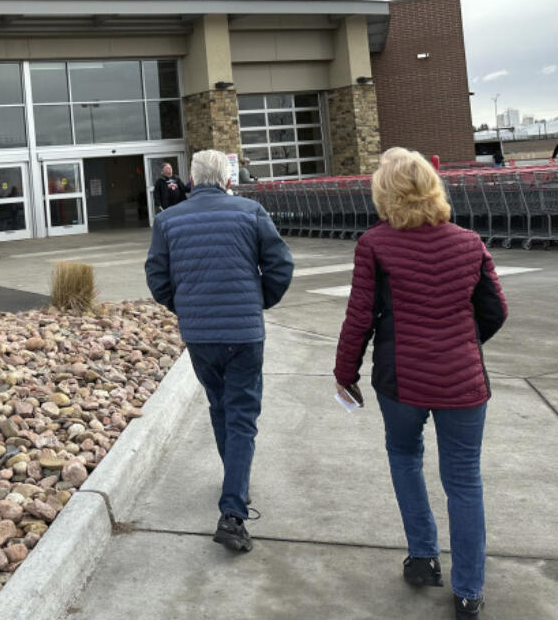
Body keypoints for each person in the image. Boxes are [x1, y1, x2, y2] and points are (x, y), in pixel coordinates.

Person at [334, 147, 507, 619]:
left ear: (384, 194)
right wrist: (463, 343)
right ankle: (469, 592)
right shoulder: (470, 242)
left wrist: (344, 373)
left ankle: (423, 556)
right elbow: (495, 311)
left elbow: (359, 320)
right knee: (465, 481)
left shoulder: (375, 245)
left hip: (400, 381)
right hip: (463, 382)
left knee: (405, 457)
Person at [145, 149, 294, 554]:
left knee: (219, 406)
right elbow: (281, 264)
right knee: (242, 415)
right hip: (244, 334)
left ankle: (236, 482)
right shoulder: (250, 211)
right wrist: (257, 300)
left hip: (201, 334)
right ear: (228, 179)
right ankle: (233, 512)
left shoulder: (167, 220)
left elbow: (157, 277)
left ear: (192, 181)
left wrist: (185, 306)